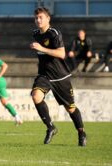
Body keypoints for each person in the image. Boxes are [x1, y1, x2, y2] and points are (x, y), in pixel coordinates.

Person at [30, 7, 87, 146]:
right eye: (36, 18)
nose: (38, 20)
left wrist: (41, 48)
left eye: (41, 17)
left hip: (60, 76)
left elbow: (61, 54)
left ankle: (81, 132)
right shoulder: (35, 34)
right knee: (36, 96)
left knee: (70, 108)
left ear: (48, 19)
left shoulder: (54, 33)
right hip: (44, 75)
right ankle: (51, 127)